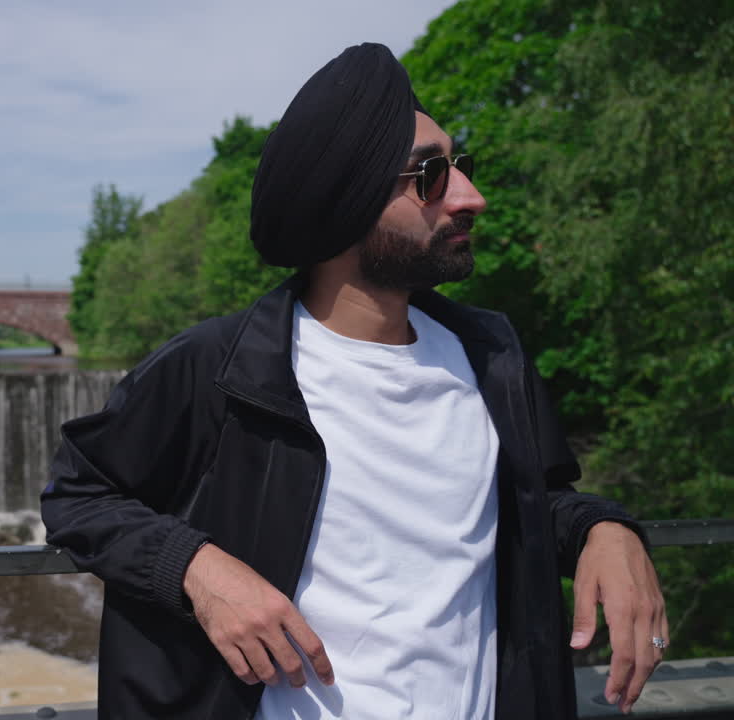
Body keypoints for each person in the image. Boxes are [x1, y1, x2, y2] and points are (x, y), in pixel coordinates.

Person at [40, 43, 666, 720]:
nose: (471, 197)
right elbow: (79, 494)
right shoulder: (222, 369)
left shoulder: (492, 356)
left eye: (462, 166)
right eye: (430, 176)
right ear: (344, 203)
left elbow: (526, 505)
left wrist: (606, 527)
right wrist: (197, 569)